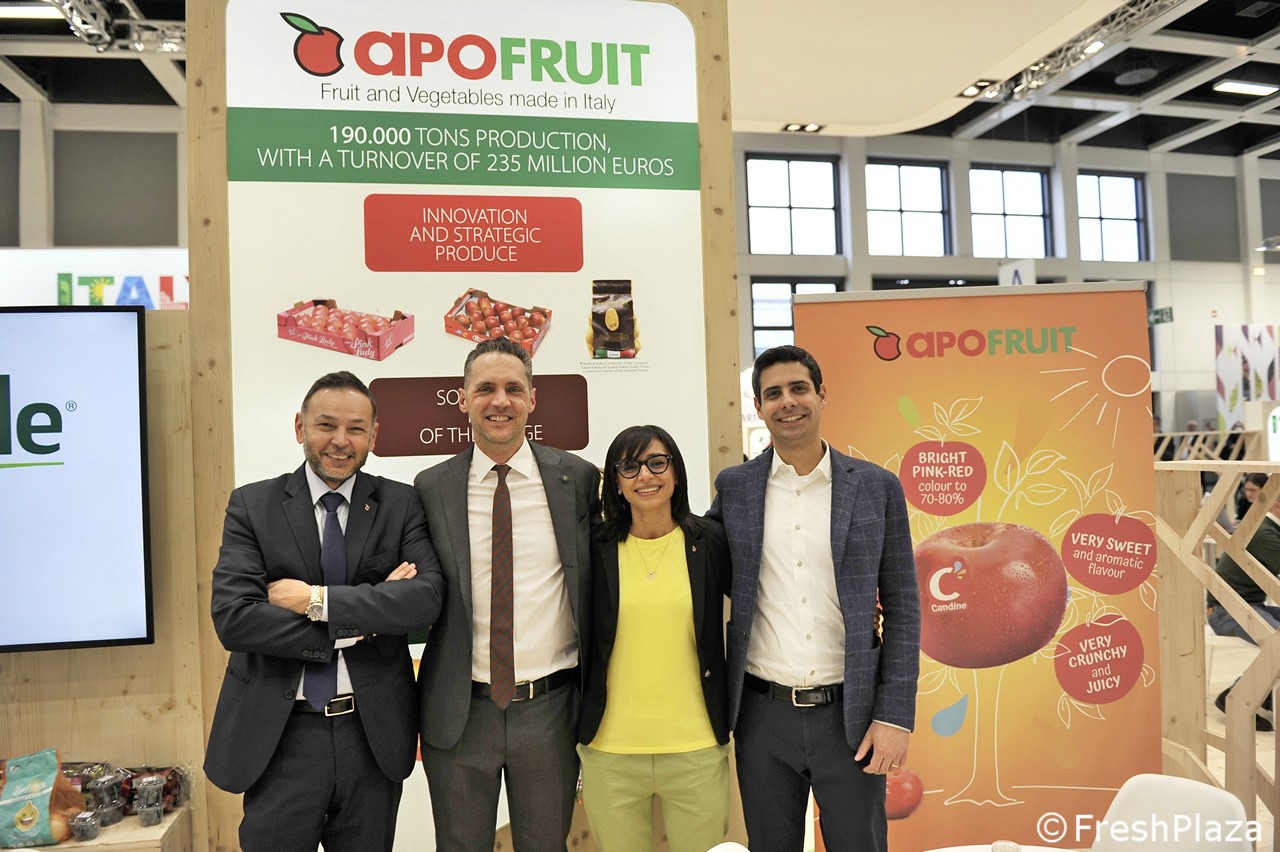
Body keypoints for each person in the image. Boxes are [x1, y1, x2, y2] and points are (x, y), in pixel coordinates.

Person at [205, 371, 446, 852]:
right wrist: (363, 621)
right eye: (326, 425)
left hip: (371, 736)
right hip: (281, 736)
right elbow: (235, 619)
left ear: (374, 435)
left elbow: (425, 599)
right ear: (300, 427)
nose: (341, 441)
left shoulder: (400, 504)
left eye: (356, 428)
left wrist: (314, 600)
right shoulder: (253, 505)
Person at [706, 345, 920, 852]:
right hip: (762, 717)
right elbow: (703, 567)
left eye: (798, 388)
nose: (788, 402)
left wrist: (894, 715)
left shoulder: (876, 487)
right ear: (759, 407)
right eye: (773, 393)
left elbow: (904, 608)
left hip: (852, 716)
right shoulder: (735, 488)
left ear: (822, 394)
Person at [415, 337, 601, 851]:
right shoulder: (430, 488)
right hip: (459, 711)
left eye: (514, 389)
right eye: (486, 389)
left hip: (551, 711)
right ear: (463, 399)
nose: (500, 401)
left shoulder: (577, 479)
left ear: (532, 399)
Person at [577, 425, 731, 852]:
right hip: (610, 751)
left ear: (676, 473)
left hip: (696, 748)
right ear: (616, 482)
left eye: (657, 463)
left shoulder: (710, 542)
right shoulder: (593, 548)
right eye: (630, 466)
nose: (645, 475)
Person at [1208, 473, 1278, 730]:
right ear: (1276, 505)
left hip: (1247, 606)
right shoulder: (1264, 533)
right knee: (1278, 642)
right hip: (1225, 610)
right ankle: (1237, 695)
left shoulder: (1268, 528)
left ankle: (1265, 692)